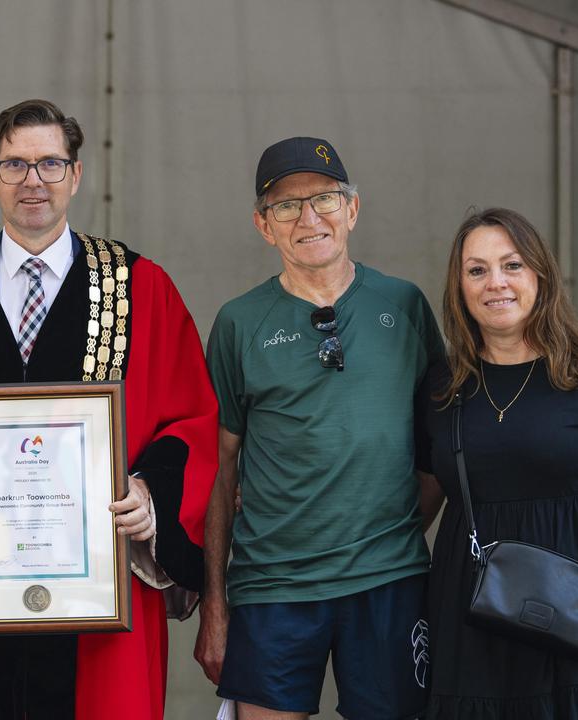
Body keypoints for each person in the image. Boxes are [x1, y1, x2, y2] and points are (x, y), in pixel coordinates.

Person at [0, 98, 216, 720]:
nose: (34, 181)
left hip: (100, 588)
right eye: (15, 165)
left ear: (76, 175)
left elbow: (190, 418)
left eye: (51, 164)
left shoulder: (140, 288)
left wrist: (151, 494)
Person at [196, 137, 447, 719]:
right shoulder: (238, 323)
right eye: (286, 206)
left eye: (326, 200)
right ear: (264, 225)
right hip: (272, 587)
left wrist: (403, 527)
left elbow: (445, 441)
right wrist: (215, 602)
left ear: (352, 210)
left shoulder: (403, 305)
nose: (309, 218)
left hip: (389, 581)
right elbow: (219, 463)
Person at [416, 207, 578, 718]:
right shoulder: (441, 388)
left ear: (540, 273)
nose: (496, 282)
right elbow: (420, 504)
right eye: (477, 270)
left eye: (512, 265)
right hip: (471, 627)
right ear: (459, 286)